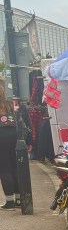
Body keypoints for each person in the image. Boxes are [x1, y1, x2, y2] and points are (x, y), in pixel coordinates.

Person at [0, 79, 21, 210]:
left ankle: (9, 201)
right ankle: (19, 199)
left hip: (1, 136)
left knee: (4, 168)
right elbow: (24, 118)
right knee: (16, 167)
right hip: (15, 134)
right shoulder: (13, 102)